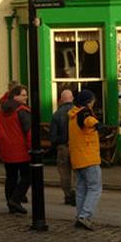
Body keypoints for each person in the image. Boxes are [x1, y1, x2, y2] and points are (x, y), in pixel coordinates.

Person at [0, 85, 31, 214]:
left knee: (11, 177)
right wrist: (31, 148)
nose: (26, 97)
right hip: (21, 150)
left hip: (6, 150)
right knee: (27, 176)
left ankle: (11, 203)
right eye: (23, 95)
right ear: (15, 96)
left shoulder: (0, 111)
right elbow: (29, 132)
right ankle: (15, 199)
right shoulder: (22, 111)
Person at [68, 89, 105, 230]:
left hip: (77, 158)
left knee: (81, 189)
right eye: (92, 100)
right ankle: (84, 216)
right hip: (89, 157)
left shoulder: (72, 115)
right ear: (88, 102)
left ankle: (80, 216)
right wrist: (98, 125)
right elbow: (88, 120)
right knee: (95, 188)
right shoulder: (84, 113)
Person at [49, 89, 76, 206]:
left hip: (62, 146)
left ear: (61, 100)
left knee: (64, 173)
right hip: (76, 146)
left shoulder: (56, 114)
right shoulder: (77, 111)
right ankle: (78, 193)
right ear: (72, 98)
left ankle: (68, 195)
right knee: (78, 172)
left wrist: (56, 144)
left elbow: (53, 136)